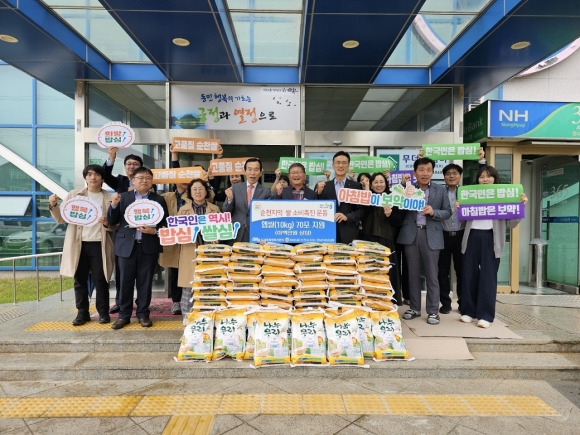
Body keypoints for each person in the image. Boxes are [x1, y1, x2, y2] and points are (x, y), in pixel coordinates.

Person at [460, 165, 527, 328]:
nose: (485, 179)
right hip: (472, 237)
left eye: (488, 176)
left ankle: (485, 315)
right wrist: (459, 208)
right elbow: (461, 221)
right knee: (468, 275)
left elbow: (512, 224)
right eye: (481, 177)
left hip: (492, 239)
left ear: (495, 179)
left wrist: (521, 207)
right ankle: (468, 311)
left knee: (488, 277)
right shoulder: (471, 196)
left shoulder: (503, 197)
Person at [48, 165, 116, 326]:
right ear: (85, 178)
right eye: (90, 174)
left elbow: (115, 225)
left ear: (102, 178)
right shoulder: (74, 195)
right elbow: (61, 219)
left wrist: (107, 223)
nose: (93, 177)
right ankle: (82, 312)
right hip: (78, 244)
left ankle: (103, 312)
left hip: (100, 244)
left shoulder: (109, 198)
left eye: (97, 174)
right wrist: (53, 205)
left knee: (101, 280)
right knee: (80, 280)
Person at [107, 167, 169, 329]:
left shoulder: (158, 200)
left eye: (148, 178)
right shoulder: (123, 198)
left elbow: (164, 224)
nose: (144, 180)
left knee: (145, 282)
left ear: (152, 181)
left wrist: (154, 231)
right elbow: (112, 221)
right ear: (133, 180)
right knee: (125, 282)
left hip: (147, 246)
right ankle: (124, 315)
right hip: (126, 246)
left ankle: (143, 314)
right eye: (140, 177)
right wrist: (113, 205)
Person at [397, 157, 451, 325]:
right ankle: (414, 308)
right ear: (415, 173)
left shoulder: (440, 190)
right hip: (411, 235)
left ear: (432, 172)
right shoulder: (407, 189)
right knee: (412, 274)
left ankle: (433, 311)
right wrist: (403, 187)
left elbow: (448, 212)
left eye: (428, 170)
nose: (425, 173)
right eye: (421, 170)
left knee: (432, 275)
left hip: (432, 235)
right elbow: (398, 208)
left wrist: (434, 212)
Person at [103, 147, 143, 314]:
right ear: (125, 166)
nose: (132, 166)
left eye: (135, 164)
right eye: (128, 164)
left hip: (143, 232)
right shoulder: (119, 181)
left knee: (143, 275)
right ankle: (120, 302)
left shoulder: (147, 181)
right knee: (122, 273)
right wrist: (111, 157)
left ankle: (142, 303)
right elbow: (104, 176)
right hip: (123, 233)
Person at [176, 179, 221, 321]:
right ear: (190, 192)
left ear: (206, 191)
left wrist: (217, 238)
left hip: (209, 251)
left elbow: (221, 230)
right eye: (194, 189)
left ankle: (208, 316)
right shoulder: (183, 210)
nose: (198, 192)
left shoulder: (215, 209)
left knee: (209, 284)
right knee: (188, 286)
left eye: (201, 189)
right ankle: (187, 316)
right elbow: (177, 232)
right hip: (190, 250)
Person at [359, 172, 403, 305]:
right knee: (370, 272)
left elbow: (399, 221)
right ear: (371, 184)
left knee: (387, 272)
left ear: (386, 183)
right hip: (368, 240)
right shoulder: (367, 197)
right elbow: (362, 213)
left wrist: (390, 215)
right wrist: (366, 192)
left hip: (386, 240)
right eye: (376, 182)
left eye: (381, 181)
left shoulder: (394, 198)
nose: (379, 184)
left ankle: (389, 302)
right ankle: (370, 302)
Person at [318, 151, 364, 244]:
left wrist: (347, 217)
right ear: (333, 165)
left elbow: (361, 210)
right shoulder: (325, 186)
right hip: (327, 233)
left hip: (349, 233)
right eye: (338, 162)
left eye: (344, 163)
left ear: (348, 165)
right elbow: (318, 208)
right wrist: (318, 193)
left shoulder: (356, 186)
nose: (341, 166)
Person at [222, 157, 272, 243]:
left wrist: (265, 235)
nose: (252, 173)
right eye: (249, 169)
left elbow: (268, 217)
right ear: (244, 171)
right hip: (235, 233)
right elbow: (225, 211)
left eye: (256, 170)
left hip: (255, 236)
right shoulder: (235, 188)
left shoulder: (266, 192)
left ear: (260, 173)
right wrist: (229, 200)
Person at [437, 163, 465, 314]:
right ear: (444, 177)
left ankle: (462, 302)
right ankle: (445, 303)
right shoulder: (439, 191)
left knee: (462, 271)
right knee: (442, 271)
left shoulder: (467, 192)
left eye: (454, 173)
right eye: (448, 174)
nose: (451, 176)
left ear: (460, 176)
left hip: (461, 235)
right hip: (443, 235)